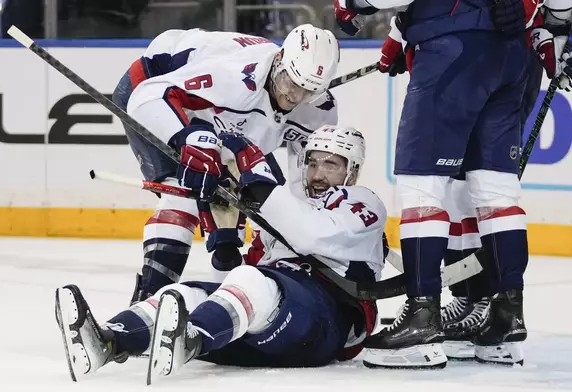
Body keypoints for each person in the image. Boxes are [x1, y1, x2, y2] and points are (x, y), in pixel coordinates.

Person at [54, 125, 386, 381]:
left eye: (331, 164)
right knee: (185, 294)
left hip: (327, 323)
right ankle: (110, 340)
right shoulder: (290, 208)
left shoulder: (361, 202)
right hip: (274, 333)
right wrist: (226, 241)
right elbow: (238, 291)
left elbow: (310, 233)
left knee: (253, 281)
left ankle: (191, 335)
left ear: (352, 170)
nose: (318, 174)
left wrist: (258, 177)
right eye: (312, 162)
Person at [333, 0, 542, 368]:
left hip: (454, 47)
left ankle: (421, 319)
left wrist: (352, 3)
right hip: (511, 54)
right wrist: (401, 36)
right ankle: (506, 316)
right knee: (495, 190)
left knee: (422, 186)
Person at [110, 24, 340, 305]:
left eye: (307, 92)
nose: (293, 98)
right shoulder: (232, 76)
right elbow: (148, 95)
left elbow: (300, 187)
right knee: (184, 194)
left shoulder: (318, 110)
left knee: (245, 207)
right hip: (155, 85)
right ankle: (147, 302)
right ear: (278, 62)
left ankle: (224, 307)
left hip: (225, 120)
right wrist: (188, 138)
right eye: (289, 84)